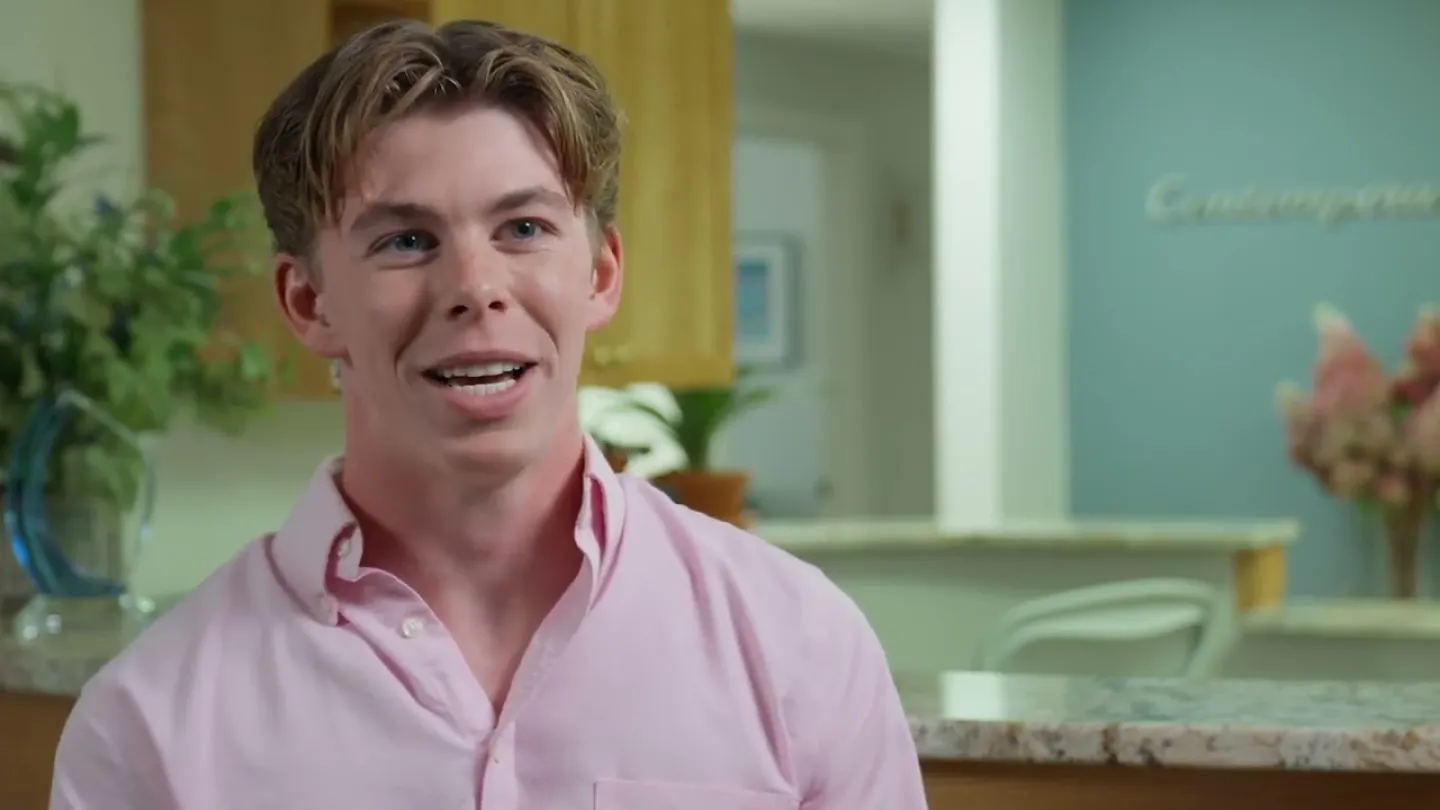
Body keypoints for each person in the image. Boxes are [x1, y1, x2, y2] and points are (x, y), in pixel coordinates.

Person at [49, 18, 926, 810]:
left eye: (524, 229)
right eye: (405, 241)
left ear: (601, 274)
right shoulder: (150, 727)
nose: (475, 287)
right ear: (308, 302)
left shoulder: (799, 647)